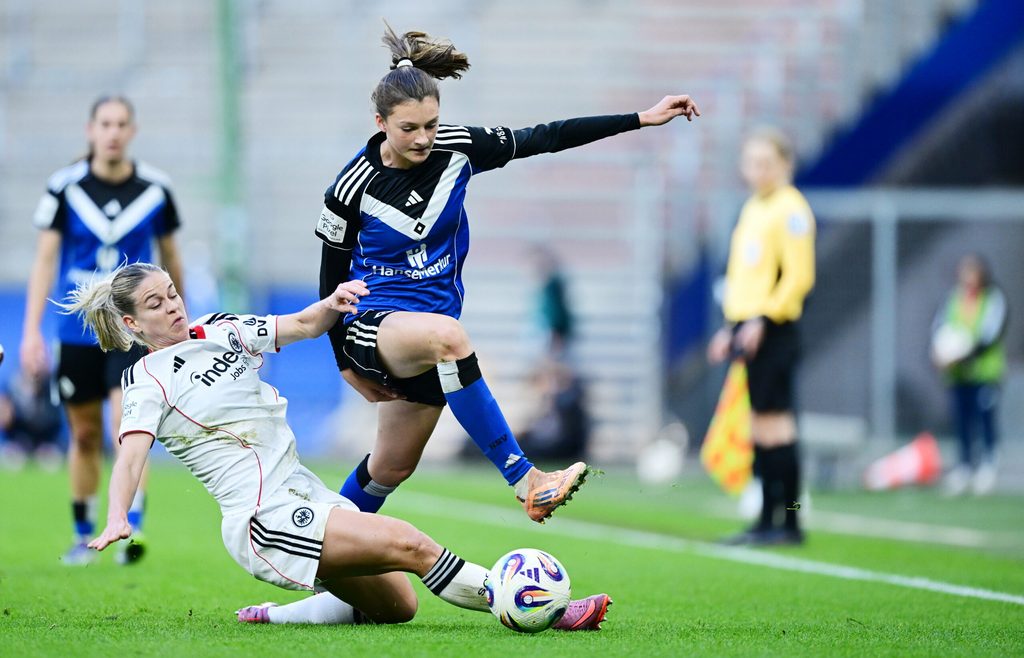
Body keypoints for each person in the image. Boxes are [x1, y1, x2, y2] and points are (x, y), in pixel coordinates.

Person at [66, 262, 610, 630]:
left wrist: (332, 302)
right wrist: (117, 516)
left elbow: (304, 324)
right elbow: (131, 454)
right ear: (132, 323)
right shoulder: (146, 380)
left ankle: (274, 615)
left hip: (305, 494)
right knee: (411, 543)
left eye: (173, 293)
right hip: (263, 518)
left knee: (399, 607)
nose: (173, 306)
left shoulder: (220, 327)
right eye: (156, 304)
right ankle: (536, 606)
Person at [319, 23, 701, 522]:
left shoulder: (458, 149)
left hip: (427, 330)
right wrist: (345, 366)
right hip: (372, 324)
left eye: (431, 124)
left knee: (390, 467)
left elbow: (546, 137)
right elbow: (329, 284)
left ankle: (319, 549)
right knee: (450, 338)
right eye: (409, 128)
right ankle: (527, 481)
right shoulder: (350, 188)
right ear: (380, 122)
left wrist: (641, 118)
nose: (423, 138)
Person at [20, 95, 184, 565]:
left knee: (125, 425)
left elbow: (171, 258)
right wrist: (31, 332)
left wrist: (179, 317)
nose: (113, 132)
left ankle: (132, 528)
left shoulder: (156, 189)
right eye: (105, 123)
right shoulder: (64, 187)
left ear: (133, 131)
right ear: (90, 130)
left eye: (121, 124)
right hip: (75, 331)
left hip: (131, 326)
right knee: (86, 434)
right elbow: (45, 260)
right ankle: (82, 533)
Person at [707, 127, 815, 546]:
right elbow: (744, 278)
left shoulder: (791, 209)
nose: (758, 171)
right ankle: (768, 519)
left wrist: (762, 320)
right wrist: (731, 326)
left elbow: (798, 277)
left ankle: (790, 520)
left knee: (777, 427)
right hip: (748, 327)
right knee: (760, 427)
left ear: (785, 165)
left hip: (775, 329)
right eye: (752, 163)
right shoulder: (753, 208)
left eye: (766, 163)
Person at [931, 254, 1008, 496]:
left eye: (971, 271)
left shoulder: (993, 299)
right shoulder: (953, 298)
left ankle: (988, 466)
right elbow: (940, 326)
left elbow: (990, 334)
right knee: (962, 420)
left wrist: (962, 354)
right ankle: (964, 466)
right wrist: (940, 352)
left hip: (984, 373)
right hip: (958, 375)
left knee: (984, 420)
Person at [0, 365, 64, 471]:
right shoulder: (14, 385)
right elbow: (7, 420)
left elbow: (55, 419)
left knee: (51, 464)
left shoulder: (50, 387)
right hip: (19, 441)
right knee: (12, 462)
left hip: (46, 441)